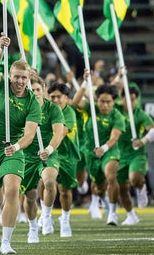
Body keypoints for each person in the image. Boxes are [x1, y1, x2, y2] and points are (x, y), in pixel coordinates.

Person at [0, 34, 41, 255]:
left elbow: (30, 134)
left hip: (11, 150)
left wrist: (17, 147)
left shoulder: (32, 103)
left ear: (28, 78)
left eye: (24, 77)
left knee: (13, 190)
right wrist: (1, 51)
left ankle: (5, 242)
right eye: (16, 76)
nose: (20, 81)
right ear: (10, 75)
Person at [72, 75, 124, 225]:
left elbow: (114, 137)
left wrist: (105, 148)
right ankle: (103, 198)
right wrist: (85, 83)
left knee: (111, 176)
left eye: (108, 102)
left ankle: (113, 213)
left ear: (114, 102)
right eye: (102, 101)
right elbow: (75, 102)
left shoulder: (117, 116)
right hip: (91, 153)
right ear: (97, 100)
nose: (105, 105)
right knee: (100, 188)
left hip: (109, 151)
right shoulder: (91, 109)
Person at [21, 75, 65, 243]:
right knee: (30, 197)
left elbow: (58, 133)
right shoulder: (22, 109)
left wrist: (49, 149)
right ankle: (33, 227)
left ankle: (46, 216)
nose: (35, 93)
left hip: (48, 152)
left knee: (49, 182)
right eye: (32, 90)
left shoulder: (53, 109)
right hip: (27, 156)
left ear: (43, 90)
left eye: (38, 90)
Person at [116, 83, 153, 224]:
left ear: (137, 100)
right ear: (122, 99)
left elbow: (152, 130)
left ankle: (141, 187)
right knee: (121, 188)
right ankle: (131, 215)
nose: (130, 102)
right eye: (127, 99)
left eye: (133, 99)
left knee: (134, 178)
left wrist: (143, 141)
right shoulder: (116, 110)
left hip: (137, 154)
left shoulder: (140, 114)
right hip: (120, 154)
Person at [47, 82, 79, 237]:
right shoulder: (44, 111)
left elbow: (60, 134)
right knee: (46, 181)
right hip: (50, 155)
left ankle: (65, 218)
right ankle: (46, 215)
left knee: (65, 190)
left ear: (66, 98)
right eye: (52, 97)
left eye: (59, 97)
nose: (55, 100)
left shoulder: (69, 113)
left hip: (67, 156)